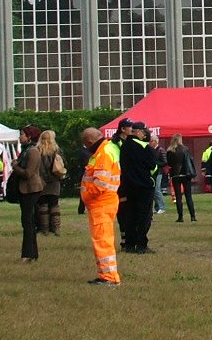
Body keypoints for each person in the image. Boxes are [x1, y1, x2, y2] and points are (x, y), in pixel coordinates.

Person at [80, 127, 122, 286]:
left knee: (103, 241)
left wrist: (87, 196)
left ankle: (110, 277)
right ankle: (105, 274)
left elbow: (100, 184)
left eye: (85, 144)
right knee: (102, 240)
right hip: (104, 202)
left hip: (101, 203)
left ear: (90, 141)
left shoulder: (103, 154)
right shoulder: (106, 149)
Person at [119, 120, 157, 253]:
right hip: (144, 187)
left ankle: (129, 244)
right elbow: (153, 167)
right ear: (138, 132)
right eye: (144, 131)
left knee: (130, 215)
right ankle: (141, 245)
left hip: (128, 186)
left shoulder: (124, 146)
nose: (145, 134)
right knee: (144, 216)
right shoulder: (145, 147)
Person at [15, 124, 44, 261]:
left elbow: (28, 173)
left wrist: (15, 167)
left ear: (29, 136)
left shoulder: (32, 151)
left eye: (22, 134)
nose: (20, 137)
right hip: (25, 189)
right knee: (27, 222)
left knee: (28, 222)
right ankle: (31, 253)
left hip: (31, 189)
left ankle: (28, 253)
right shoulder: (25, 150)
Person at [36, 130, 66, 237]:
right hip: (54, 181)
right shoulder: (57, 151)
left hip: (41, 181)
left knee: (43, 205)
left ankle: (45, 229)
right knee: (54, 205)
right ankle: (56, 228)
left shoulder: (37, 151)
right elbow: (63, 164)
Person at [166, 133, 198, 222]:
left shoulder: (170, 150)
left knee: (178, 197)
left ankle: (180, 217)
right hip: (185, 173)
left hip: (175, 174)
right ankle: (193, 216)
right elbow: (188, 160)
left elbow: (169, 163)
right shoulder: (185, 149)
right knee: (188, 196)